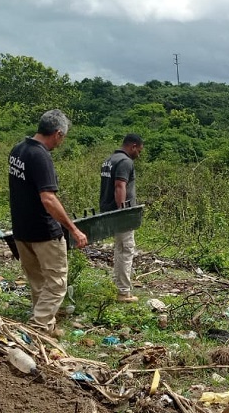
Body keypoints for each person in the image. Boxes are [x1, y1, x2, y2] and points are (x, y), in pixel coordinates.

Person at [8, 109, 87, 337]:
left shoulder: (18, 150)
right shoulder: (40, 156)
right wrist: (73, 229)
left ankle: (47, 322)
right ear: (58, 134)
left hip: (22, 229)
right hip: (43, 231)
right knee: (56, 283)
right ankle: (38, 328)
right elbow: (48, 198)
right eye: (63, 138)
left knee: (38, 281)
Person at [99, 133, 144, 302]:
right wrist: (122, 211)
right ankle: (123, 292)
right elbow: (119, 186)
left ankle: (117, 285)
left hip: (108, 210)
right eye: (138, 151)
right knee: (126, 249)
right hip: (121, 214)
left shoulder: (109, 160)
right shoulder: (125, 162)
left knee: (119, 249)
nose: (138, 155)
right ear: (132, 146)